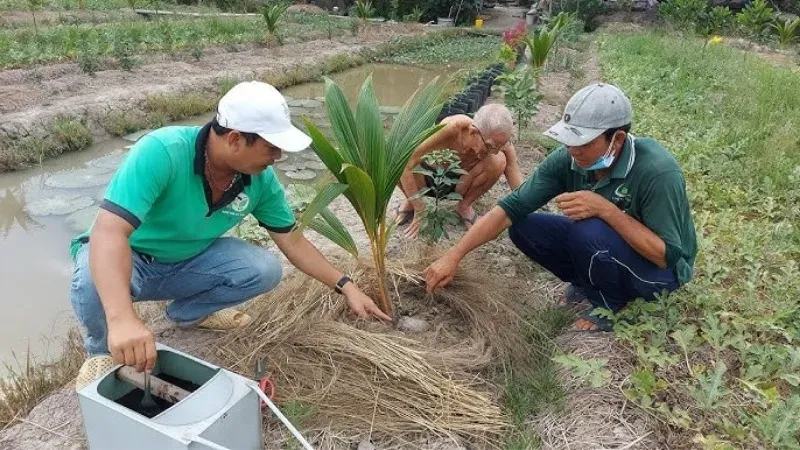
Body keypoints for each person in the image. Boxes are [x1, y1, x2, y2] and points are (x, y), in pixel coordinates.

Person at [70, 81, 391, 390]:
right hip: (132, 260)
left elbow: (292, 241)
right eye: (271, 147)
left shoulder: (259, 180)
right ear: (235, 139)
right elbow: (109, 233)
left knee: (263, 269)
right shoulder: (163, 151)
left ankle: (187, 314)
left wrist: (345, 286)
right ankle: (99, 350)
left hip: (186, 262)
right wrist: (123, 317)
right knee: (90, 277)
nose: (277, 156)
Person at [422, 83, 697, 332]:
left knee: (588, 230)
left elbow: (667, 257)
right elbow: (510, 208)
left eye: (583, 143)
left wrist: (607, 210)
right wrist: (453, 256)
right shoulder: (569, 159)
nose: (573, 150)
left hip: (658, 274)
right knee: (524, 226)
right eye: (569, 140)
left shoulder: (658, 172)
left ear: (618, 140)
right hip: (610, 247)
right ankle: (584, 282)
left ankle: (610, 303)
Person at [394, 103, 524, 238]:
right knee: (396, 155)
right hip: (427, 179)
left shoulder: (498, 141)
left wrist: (527, 206)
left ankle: (464, 206)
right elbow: (407, 163)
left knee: (500, 161)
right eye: (490, 146)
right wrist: (419, 208)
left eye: (501, 146)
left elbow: (513, 170)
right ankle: (411, 200)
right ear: (474, 132)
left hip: (460, 185)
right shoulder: (450, 129)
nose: (495, 151)